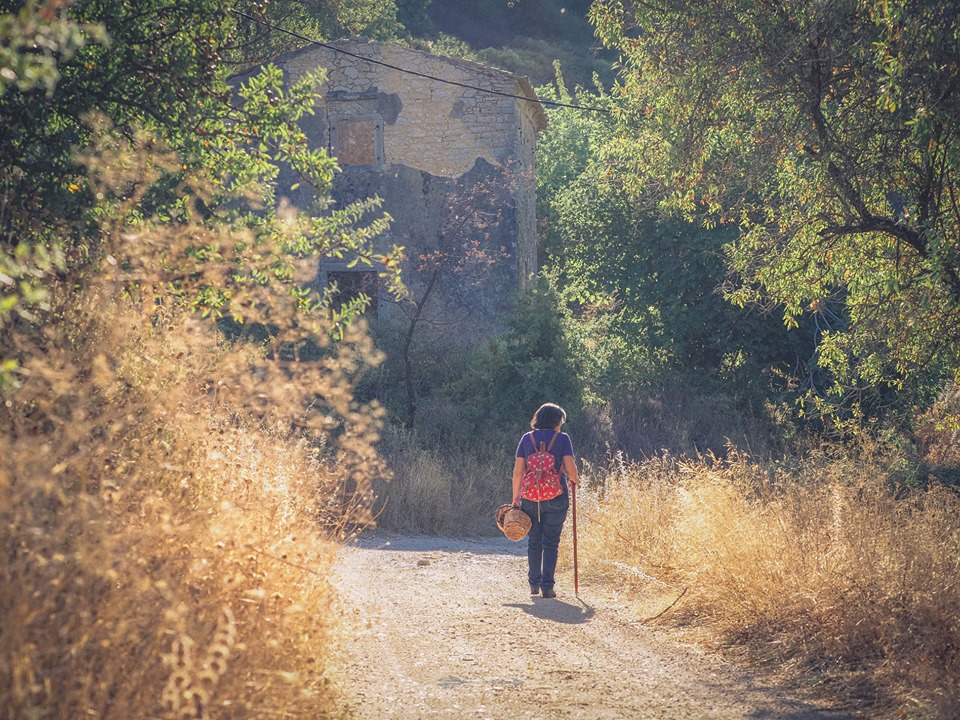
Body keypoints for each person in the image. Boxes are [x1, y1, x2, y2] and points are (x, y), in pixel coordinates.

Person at [511, 402, 579, 599]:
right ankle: (547, 587)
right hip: (557, 497)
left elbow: (518, 471)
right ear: (557, 421)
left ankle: (534, 583)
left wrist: (516, 498)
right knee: (551, 542)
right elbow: (570, 468)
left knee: (534, 541)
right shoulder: (563, 439)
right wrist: (575, 480)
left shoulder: (527, 438)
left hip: (531, 497)